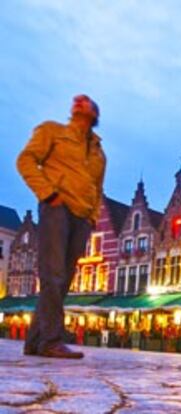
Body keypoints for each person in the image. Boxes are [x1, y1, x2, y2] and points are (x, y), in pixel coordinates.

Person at [17, 95, 106, 359]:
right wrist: (48, 195)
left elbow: (97, 188)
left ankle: (34, 341)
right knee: (52, 275)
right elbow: (25, 161)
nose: (78, 100)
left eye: (86, 100)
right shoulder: (52, 131)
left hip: (82, 217)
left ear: (94, 113)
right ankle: (51, 341)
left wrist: (92, 217)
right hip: (58, 207)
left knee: (62, 281)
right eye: (77, 100)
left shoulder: (99, 153)